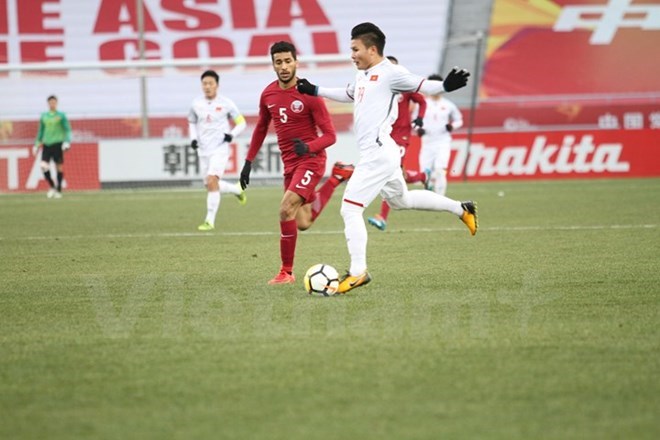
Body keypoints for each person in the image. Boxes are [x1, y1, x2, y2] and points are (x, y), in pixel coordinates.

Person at [296, 22, 478, 294]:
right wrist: (315, 90)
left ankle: (358, 272)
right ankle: (461, 209)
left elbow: (421, 84)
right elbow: (348, 94)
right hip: (383, 152)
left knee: (350, 208)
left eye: (355, 49)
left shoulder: (391, 73)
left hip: (378, 154)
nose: (352, 55)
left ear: (372, 49)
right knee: (401, 200)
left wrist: (446, 86)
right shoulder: (363, 74)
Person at [239, 41, 355, 285]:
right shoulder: (268, 94)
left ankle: (286, 272)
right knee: (302, 222)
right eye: (278, 62)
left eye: (287, 61)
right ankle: (337, 177)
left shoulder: (309, 94)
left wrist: (309, 148)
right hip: (290, 164)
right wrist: (248, 161)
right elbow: (260, 128)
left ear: (296, 62)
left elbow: (330, 135)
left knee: (284, 209)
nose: (283, 66)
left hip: (311, 161)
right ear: (273, 65)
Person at [367, 55, 428, 231]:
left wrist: (420, 119)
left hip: (402, 135)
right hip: (386, 134)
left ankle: (382, 217)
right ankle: (422, 176)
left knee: (389, 172)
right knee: (396, 174)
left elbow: (422, 102)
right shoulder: (381, 87)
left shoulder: (404, 86)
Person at [188, 70, 247, 231]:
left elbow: (242, 123)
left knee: (212, 180)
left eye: (210, 83)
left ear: (217, 85)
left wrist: (231, 135)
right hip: (203, 150)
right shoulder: (196, 104)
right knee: (209, 184)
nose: (207, 86)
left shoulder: (227, 103)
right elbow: (192, 122)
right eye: (204, 84)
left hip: (220, 148)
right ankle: (236, 189)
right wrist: (193, 139)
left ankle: (209, 220)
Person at [418, 73, 463, 196]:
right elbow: (415, 121)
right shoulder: (422, 103)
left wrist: (452, 126)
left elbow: (459, 120)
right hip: (427, 142)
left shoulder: (448, 105)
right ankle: (428, 197)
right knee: (425, 173)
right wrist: (418, 128)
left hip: (443, 141)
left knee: (440, 170)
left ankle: (440, 198)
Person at [33, 95, 72, 198]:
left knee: (58, 166)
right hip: (46, 144)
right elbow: (40, 131)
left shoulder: (61, 115)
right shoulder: (44, 116)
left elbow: (67, 129)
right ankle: (52, 186)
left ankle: (59, 189)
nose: (52, 104)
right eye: (50, 102)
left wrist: (67, 141)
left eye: (54, 102)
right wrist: (36, 144)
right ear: (48, 103)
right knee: (43, 166)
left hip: (58, 143)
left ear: (56, 103)